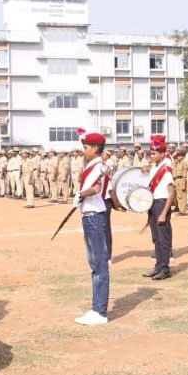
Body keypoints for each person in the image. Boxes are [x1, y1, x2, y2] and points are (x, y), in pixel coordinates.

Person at [73, 132, 111, 326]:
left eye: (86, 147)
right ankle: (97, 308)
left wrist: (80, 194)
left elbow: (95, 189)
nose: (84, 151)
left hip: (95, 216)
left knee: (99, 264)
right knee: (95, 263)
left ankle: (100, 311)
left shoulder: (98, 166)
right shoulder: (93, 165)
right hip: (90, 215)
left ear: (95, 148)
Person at [144, 139, 175, 280]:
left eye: (154, 153)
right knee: (156, 238)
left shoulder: (166, 170)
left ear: (162, 154)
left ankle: (165, 269)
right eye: (150, 153)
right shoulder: (154, 168)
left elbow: (171, 194)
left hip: (162, 204)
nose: (151, 155)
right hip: (153, 203)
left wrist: (163, 213)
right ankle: (158, 266)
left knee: (163, 238)